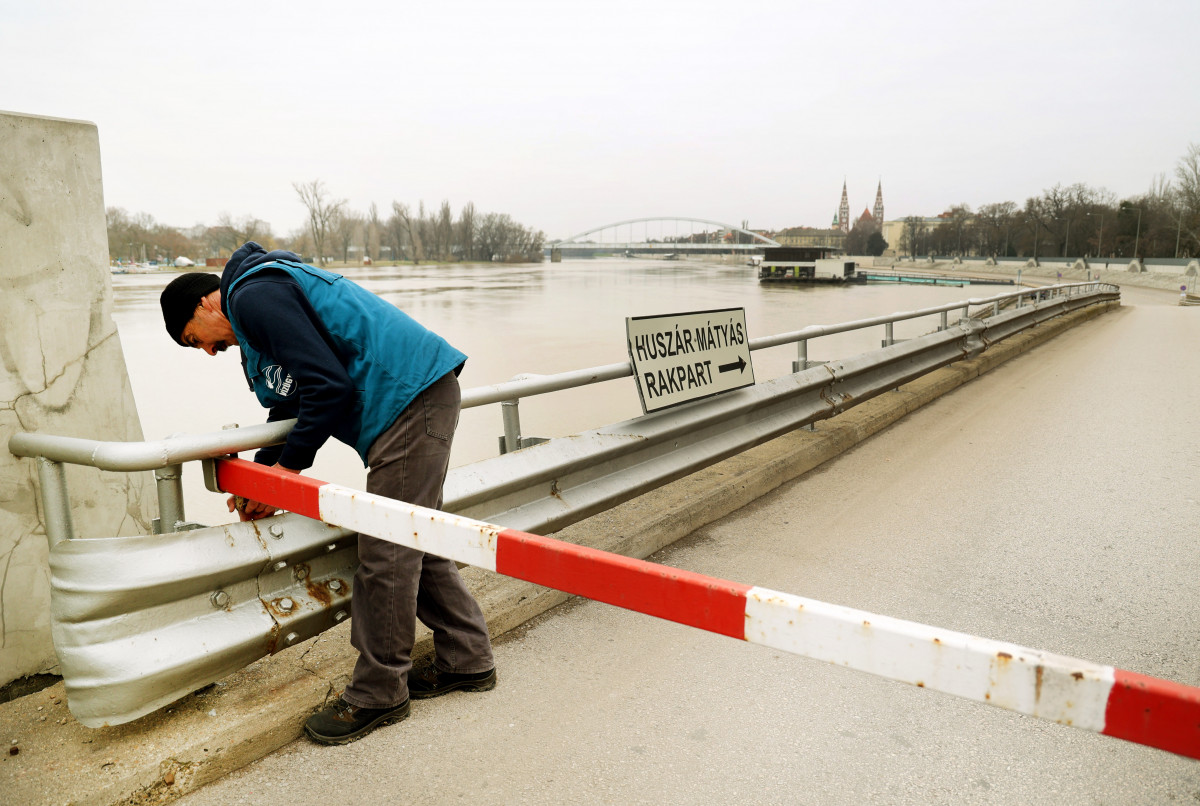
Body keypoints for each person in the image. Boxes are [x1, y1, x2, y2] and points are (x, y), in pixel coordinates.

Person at [159, 242, 495, 745]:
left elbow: (328, 387)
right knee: (410, 541)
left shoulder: (251, 297)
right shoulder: (256, 308)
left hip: (408, 400)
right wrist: (264, 477)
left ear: (208, 303)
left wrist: (287, 472)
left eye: (195, 339)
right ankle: (466, 659)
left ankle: (379, 692)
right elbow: (291, 403)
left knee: (386, 553)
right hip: (415, 396)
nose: (207, 352)